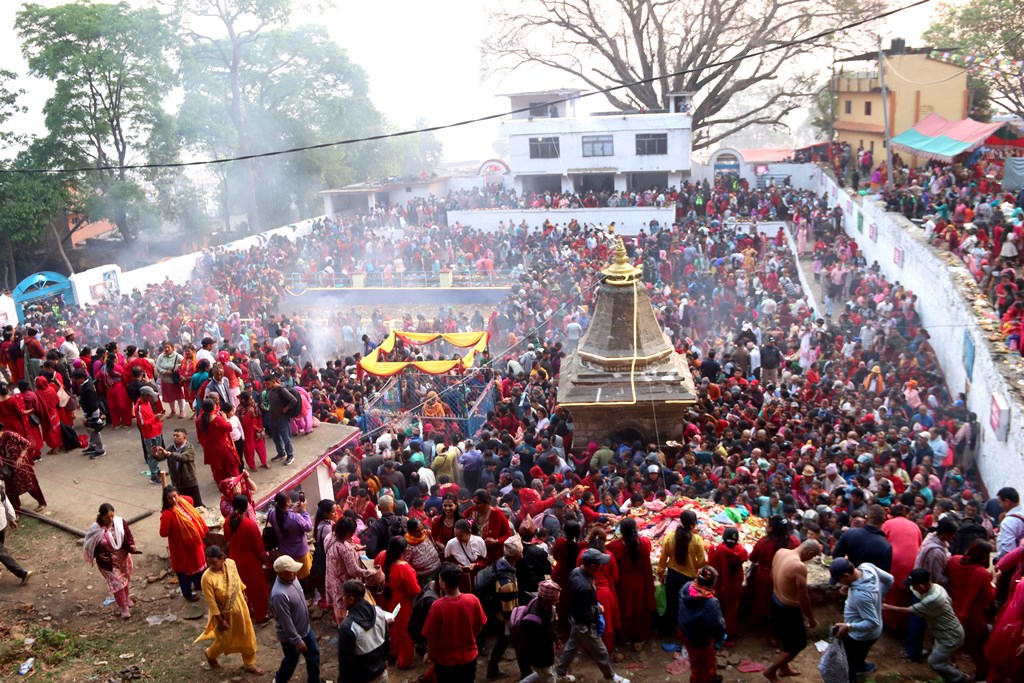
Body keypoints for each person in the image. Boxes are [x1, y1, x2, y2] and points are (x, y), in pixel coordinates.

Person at [556, 548, 631, 683]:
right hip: (584, 624)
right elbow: (584, 613)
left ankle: (560, 673)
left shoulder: (576, 571)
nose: (602, 565)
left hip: (575, 620)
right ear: (592, 566)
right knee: (601, 651)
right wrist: (598, 610)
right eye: (600, 563)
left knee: (571, 647)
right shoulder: (584, 586)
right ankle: (611, 677)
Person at [884, 568, 968, 682]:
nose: (913, 588)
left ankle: (961, 678)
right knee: (944, 659)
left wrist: (886, 607)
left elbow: (907, 611)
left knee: (935, 662)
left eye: (914, 586)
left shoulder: (933, 599)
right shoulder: (936, 587)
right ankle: (952, 672)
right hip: (946, 632)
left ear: (922, 586)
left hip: (949, 636)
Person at [196, 545, 263, 674]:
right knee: (224, 641)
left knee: (247, 636)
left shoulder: (231, 564)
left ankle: (250, 665)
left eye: (213, 562)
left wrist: (243, 594)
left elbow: (237, 580)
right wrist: (220, 620)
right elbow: (211, 603)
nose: (210, 565)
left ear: (222, 559)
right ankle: (210, 654)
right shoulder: (207, 578)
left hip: (240, 607)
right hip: (223, 615)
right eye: (208, 562)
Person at [762, 539, 822, 682]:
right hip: (788, 609)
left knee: (784, 637)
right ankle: (771, 671)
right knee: (798, 644)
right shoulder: (798, 566)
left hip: (775, 600)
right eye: (812, 557)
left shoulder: (781, 552)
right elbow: (803, 597)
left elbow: (772, 575)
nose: (811, 559)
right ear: (810, 552)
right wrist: (811, 618)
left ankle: (784, 668)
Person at [829, 557, 893, 681]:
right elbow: (889, 579)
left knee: (847, 662)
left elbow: (872, 622)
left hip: (861, 635)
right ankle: (861, 666)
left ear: (846, 575)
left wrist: (848, 626)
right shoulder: (867, 567)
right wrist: (879, 597)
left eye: (839, 579)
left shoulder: (861, 595)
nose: (838, 582)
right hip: (873, 633)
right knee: (859, 653)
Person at [422, 562, 487, 683]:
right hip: (469, 658)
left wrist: (429, 654)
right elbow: (479, 626)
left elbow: (431, 636)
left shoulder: (437, 606)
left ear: (443, 584)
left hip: (445, 662)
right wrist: (471, 638)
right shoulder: (473, 600)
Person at [945, 539, 993, 680]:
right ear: (985, 556)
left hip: (951, 610)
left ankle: (951, 670)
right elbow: (989, 598)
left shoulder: (953, 561)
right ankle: (982, 674)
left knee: (951, 645)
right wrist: (994, 582)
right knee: (976, 649)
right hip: (972, 617)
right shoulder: (982, 573)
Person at [83, 503, 140, 619]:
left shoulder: (119, 522)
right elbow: (90, 545)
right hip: (108, 562)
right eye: (108, 517)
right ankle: (123, 607)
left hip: (123, 557)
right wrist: (98, 555)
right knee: (117, 583)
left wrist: (131, 545)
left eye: (112, 516)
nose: (111, 519)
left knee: (125, 579)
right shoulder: (95, 529)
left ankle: (126, 597)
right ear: (102, 516)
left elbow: (128, 535)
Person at [607, 516, 655, 649]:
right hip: (641, 583)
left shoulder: (615, 546)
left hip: (624, 585)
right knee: (640, 611)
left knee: (625, 612)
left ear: (621, 531)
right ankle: (639, 638)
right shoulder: (644, 543)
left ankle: (625, 638)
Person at [270, 554, 320, 683]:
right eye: (292, 570)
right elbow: (286, 622)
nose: (295, 572)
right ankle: (279, 680)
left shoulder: (293, 578)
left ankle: (314, 681)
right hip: (292, 637)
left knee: (313, 656)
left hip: (305, 629)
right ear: (283, 573)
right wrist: (297, 640)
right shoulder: (279, 595)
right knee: (291, 660)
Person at [657, 509, 706, 636]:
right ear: (694, 523)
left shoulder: (670, 536)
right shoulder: (697, 540)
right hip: (689, 578)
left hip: (673, 575)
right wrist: (692, 565)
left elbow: (663, 557)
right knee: (686, 605)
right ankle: (684, 632)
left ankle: (667, 630)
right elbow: (702, 561)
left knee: (671, 604)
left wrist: (661, 571)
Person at [225, 493, 272, 624]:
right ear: (246, 507)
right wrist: (268, 563)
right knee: (258, 590)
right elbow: (260, 549)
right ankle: (261, 616)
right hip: (250, 563)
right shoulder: (249, 525)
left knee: (242, 590)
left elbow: (227, 540)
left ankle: (248, 612)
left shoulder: (228, 521)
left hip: (234, 560)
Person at [325, 514, 379, 625]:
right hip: (343, 583)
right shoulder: (345, 548)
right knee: (346, 610)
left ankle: (340, 625)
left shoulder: (329, 537)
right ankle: (347, 629)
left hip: (331, 577)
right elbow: (353, 570)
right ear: (348, 532)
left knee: (337, 605)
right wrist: (369, 572)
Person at [376, 535, 419, 670]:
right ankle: (404, 661)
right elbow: (414, 590)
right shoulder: (404, 568)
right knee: (405, 633)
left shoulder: (382, 555)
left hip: (386, 599)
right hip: (402, 604)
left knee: (391, 629)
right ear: (403, 552)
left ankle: (393, 653)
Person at [158, 485, 208, 602]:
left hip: (195, 544)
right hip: (181, 548)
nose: (174, 500)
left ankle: (198, 584)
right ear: (166, 500)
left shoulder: (184, 502)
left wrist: (179, 498)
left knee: (199, 567)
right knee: (184, 572)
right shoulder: (167, 514)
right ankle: (188, 594)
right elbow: (163, 533)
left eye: (175, 496)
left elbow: (190, 498)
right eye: (170, 498)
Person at [677, 565, 726, 683]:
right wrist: (720, 636)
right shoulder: (710, 603)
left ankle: (711, 677)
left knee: (705, 660)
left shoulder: (687, 587)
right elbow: (718, 625)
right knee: (699, 666)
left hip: (685, 630)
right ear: (712, 583)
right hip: (699, 639)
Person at [337, 579, 390, 683]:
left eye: (343, 596)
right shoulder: (378, 611)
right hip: (381, 673)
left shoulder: (347, 626)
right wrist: (385, 660)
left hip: (362, 678)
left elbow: (345, 661)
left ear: (351, 599)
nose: (342, 599)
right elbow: (387, 639)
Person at [707, 526, 748, 646]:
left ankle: (715, 635)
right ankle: (728, 637)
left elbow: (710, 567)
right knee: (731, 612)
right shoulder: (741, 551)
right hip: (733, 587)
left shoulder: (716, 550)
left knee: (716, 610)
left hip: (719, 586)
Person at [518, 579, 562, 683]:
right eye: (554, 600)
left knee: (543, 673)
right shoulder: (533, 620)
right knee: (548, 677)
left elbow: (549, 628)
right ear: (545, 600)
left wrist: (555, 638)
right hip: (539, 656)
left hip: (543, 654)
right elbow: (537, 643)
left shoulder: (543, 604)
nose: (556, 602)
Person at [0, 420, 46, 513]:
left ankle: (42, 503)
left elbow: (27, 444)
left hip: (21, 465)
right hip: (8, 468)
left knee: (31, 485)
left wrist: (20, 457)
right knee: (11, 490)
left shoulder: (9, 435)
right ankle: (16, 511)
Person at [152, 428, 204, 508]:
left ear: (184, 437)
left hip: (189, 481)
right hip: (177, 483)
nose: (175, 437)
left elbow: (183, 457)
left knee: (197, 504)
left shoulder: (189, 447)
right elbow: (162, 457)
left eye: (177, 436)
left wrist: (170, 454)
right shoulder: (171, 448)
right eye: (174, 436)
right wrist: (155, 454)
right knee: (183, 505)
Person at [833, 503, 893, 572]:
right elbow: (883, 575)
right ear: (883, 520)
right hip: (870, 582)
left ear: (867, 518)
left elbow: (836, 557)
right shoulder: (886, 547)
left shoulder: (849, 534)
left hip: (848, 578)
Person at [268, 491, 313, 579]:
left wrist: (291, 510)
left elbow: (282, 517)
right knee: (302, 578)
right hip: (300, 554)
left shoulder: (272, 514)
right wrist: (304, 511)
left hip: (284, 554)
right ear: (288, 502)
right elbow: (308, 527)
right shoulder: (296, 518)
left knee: (289, 578)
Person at [196, 398, 242, 483]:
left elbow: (200, 436)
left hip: (210, 449)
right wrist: (225, 418)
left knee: (217, 470)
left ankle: (222, 486)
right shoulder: (217, 419)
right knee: (231, 467)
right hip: (222, 447)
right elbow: (229, 428)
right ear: (213, 407)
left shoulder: (199, 420)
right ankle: (234, 485)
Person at [0, 480, 32, 585]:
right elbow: (6, 503)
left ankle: (22, 573)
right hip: (2, 523)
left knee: (1, 551)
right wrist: (12, 518)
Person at [265, 374, 298, 465]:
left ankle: (290, 455)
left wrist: (286, 408)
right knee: (276, 438)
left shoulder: (281, 390)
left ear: (273, 382)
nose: (267, 386)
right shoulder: (270, 390)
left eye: (268, 384)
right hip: (273, 418)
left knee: (286, 438)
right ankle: (281, 453)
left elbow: (293, 400)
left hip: (282, 418)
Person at [135, 385, 164, 485]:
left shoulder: (147, 403)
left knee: (157, 452)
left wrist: (156, 417)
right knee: (152, 455)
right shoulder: (138, 407)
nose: (152, 398)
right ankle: (153, 476)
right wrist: (155, 418)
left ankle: (156, 470)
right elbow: (143, 423)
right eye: (150, 396)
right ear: (145, 395)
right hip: (150, 434)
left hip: (156, 431)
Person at [72, 369, 105, 458]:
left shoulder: (88, 388)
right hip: (89, 411)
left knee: (95, 431)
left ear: (82, 378)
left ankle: (100, 450)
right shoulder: (85, 385)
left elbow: (92, 404)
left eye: (76, 379)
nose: (75, 381)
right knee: (90, 430)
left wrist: (88, 416)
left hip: (92, 412)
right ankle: (93, 446)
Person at [155, 341, 186, 418]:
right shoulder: (160, 357)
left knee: (179, 396)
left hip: (174, 380)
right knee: (169, 397)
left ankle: (182, 410)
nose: (166, 349)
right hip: (165, 380)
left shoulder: (177, 356)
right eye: (165, 347)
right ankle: (173, 410)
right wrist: (165, 372)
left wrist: (178, 366)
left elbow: (184, 363)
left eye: (168, 347)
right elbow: (157, 367)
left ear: (172, 348)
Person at [996, 486, 1024, 560]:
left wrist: (998, 560)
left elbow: (1007, 550)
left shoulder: (1008, 521)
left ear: (1007, 502)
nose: (1000, 505)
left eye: (1000, 502)